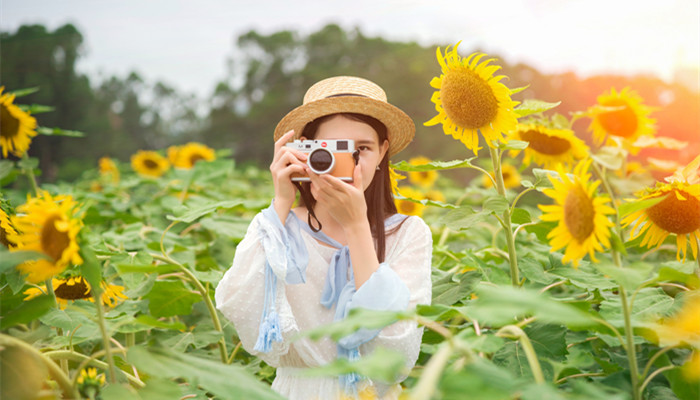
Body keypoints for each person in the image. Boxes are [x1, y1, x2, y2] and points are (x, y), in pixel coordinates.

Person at [215, 76, 433, 400]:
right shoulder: (276, 228)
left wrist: (358, 226)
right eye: (332, 149)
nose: (348, 162)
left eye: (362, 149)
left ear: (383, 151)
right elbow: (242, 312)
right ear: (304, 149)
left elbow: (398, 345)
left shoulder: (407, 233)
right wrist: (281, 203)